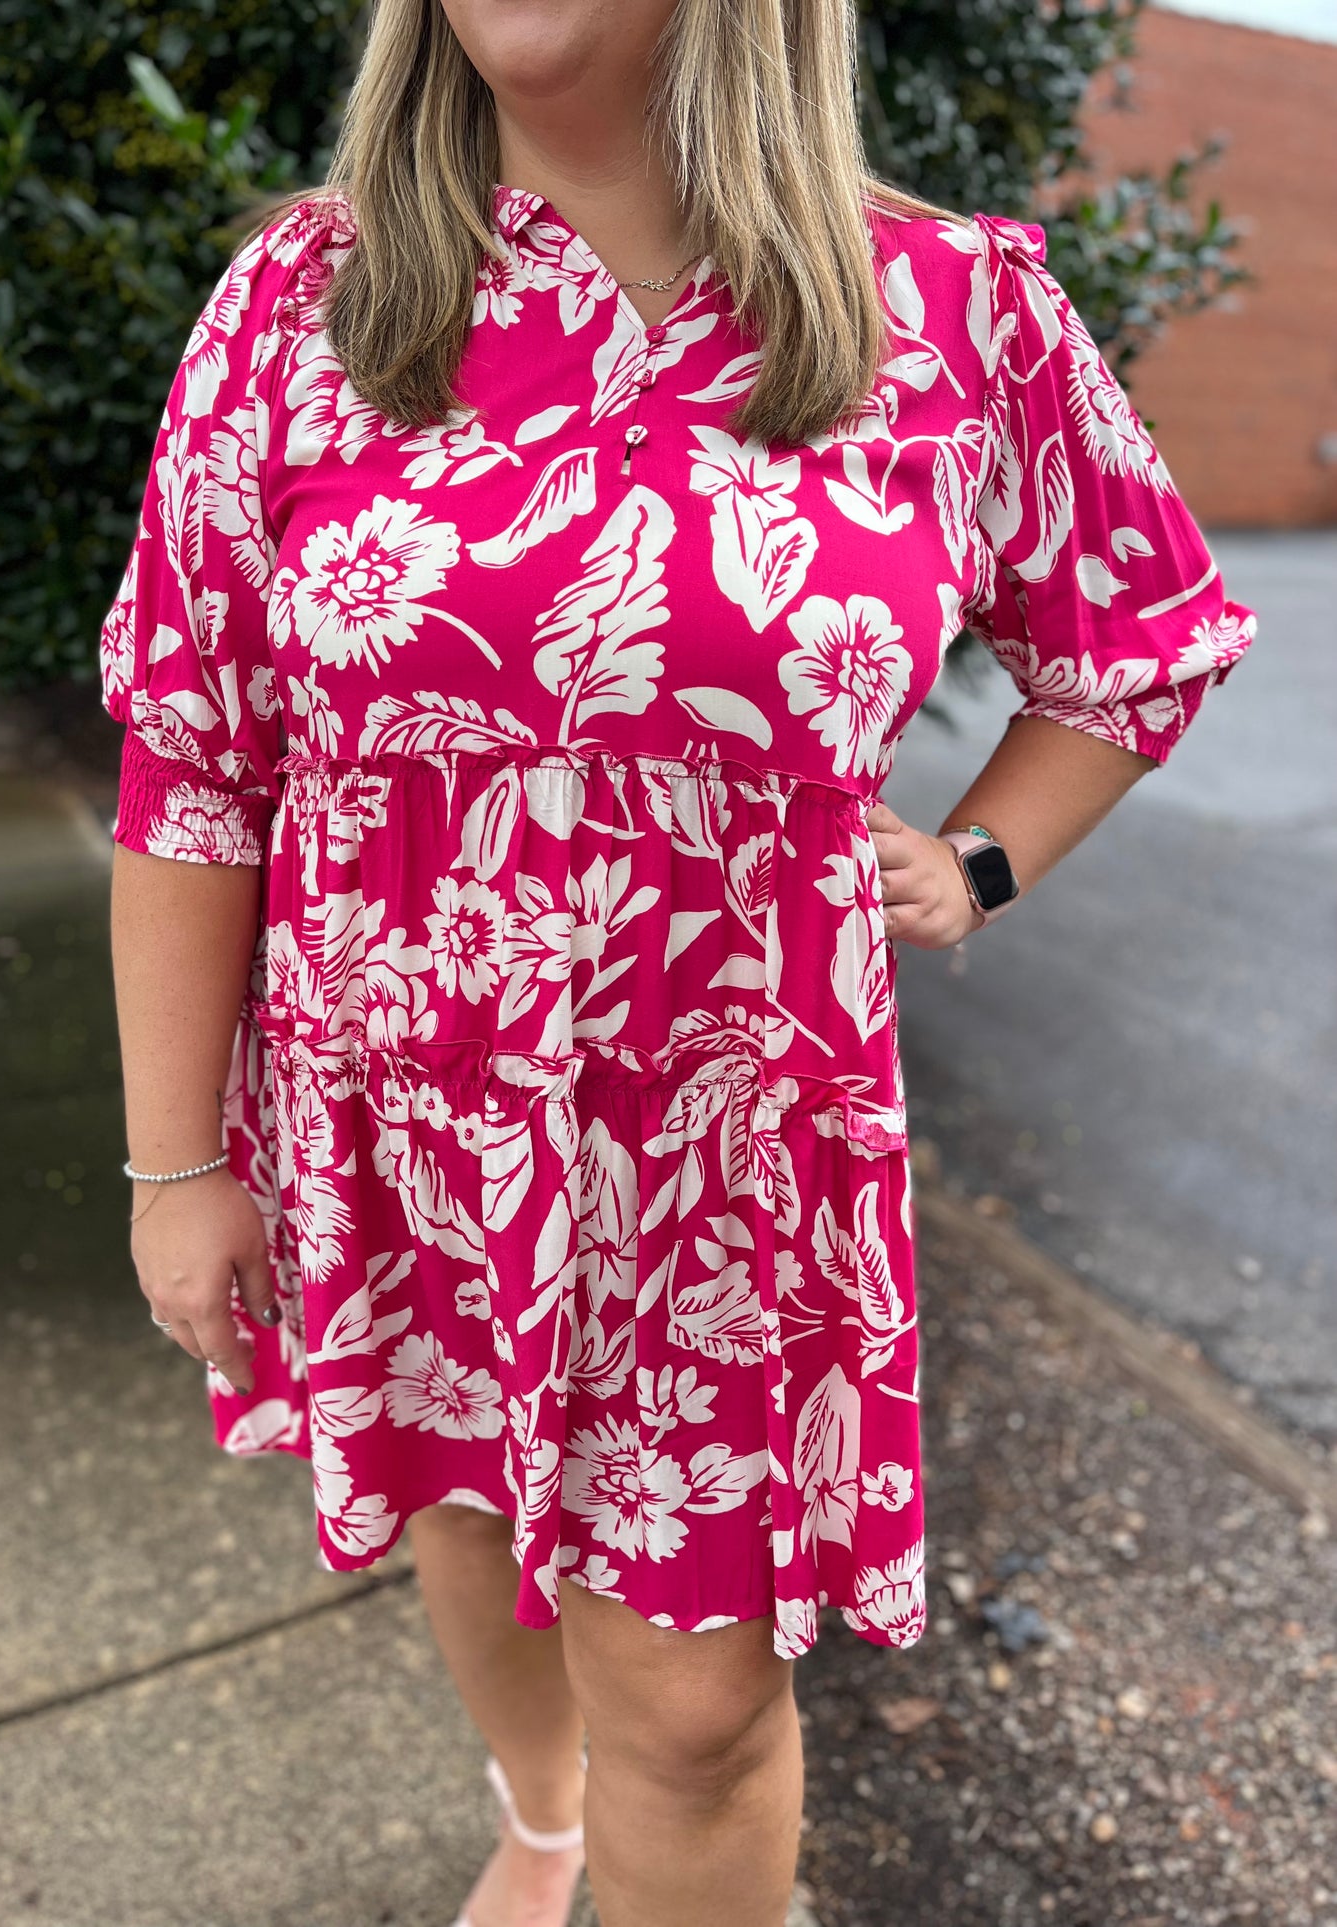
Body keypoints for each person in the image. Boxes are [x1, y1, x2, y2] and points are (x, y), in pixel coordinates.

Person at [99, 3, 1257, 1923]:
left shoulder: (945, 310)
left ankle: (611, 1815)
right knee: (459, 1502)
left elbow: (1139, 638)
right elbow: (196, 753)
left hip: (729, 1167)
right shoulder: (307, 303)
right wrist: (174, 1166)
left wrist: (978, 857)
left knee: (702, 1717)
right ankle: (538, 1815)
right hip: (393, 1116)